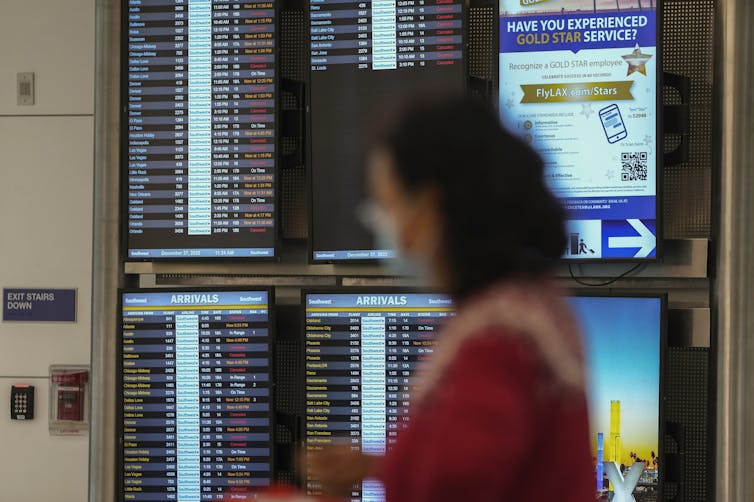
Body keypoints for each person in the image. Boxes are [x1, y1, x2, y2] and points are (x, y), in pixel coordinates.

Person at [307, 96, 594, 501]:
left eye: (387, 205)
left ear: (427, 206)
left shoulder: (497, 340)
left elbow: (458, 481)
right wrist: (376, 467)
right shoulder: (528, 308)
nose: (382, 226)